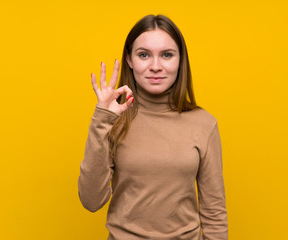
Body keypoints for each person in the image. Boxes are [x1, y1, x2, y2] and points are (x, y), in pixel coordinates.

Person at [78, 14, 228, 240]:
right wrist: (102, 118)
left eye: (167, 55)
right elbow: (91, 201)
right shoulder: (114, 119)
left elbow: (214, 213)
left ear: (180, 60)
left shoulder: (204, 123)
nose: (155, 66)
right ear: (129, 59)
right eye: (144, 55)